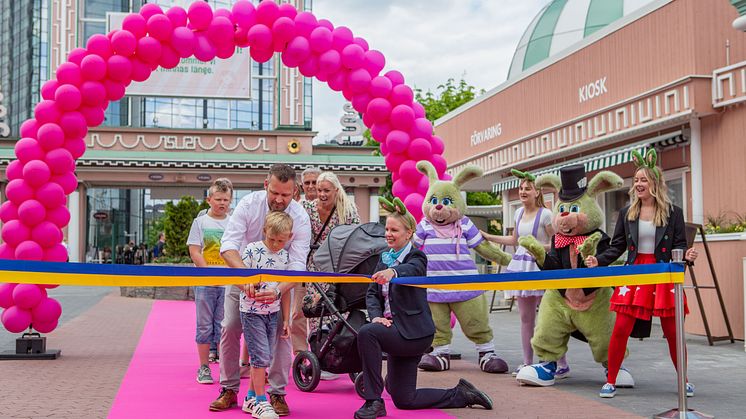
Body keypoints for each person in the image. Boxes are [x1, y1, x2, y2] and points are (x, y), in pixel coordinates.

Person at [355, 197, 493, 419]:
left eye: (394, 230)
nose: (388, 234)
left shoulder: (417, 256)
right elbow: (372, 293)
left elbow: (414, 269)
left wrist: (394, 272)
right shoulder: (384, 258)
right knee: (404, 399)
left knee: (367, 334)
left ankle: (373, 401)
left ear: (409, 233)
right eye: (387, 229)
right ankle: (461, 395)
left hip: (414, 334)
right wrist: (376, 316)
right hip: (394, 331)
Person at [586, 148, 699, 398]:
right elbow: (618, 246)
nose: (638, 184)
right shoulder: (627, 213)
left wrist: (687, 256)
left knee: (672, 332)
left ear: (655, 183)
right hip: (636, 273)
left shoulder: (673, 212)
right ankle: (611, 380)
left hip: (663, 272)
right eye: (636, 180)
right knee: (621, 328)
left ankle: (684, 380)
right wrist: (598, 260)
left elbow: (679, 244)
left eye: (643, 180)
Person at [210, 164, 311, 416]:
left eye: (285, 195)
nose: (279, 199)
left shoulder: (300, 218)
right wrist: (246, 278)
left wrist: (277, 291)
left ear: (294, 192)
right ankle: (230, 389)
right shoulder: (248, 204)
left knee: (282, 333)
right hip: (241, 276)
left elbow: (298, 266)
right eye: (274, 192)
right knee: (230, 326)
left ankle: (277, 393)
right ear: (266, 184)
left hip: (281, 286)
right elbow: (228, 245)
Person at [480, 169, 569, 377]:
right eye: (520, 188)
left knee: (549, 318)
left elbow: (557, 243)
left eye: (527, 188)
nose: (523, 191)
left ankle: (559, 362)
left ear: (537, 192)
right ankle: (527, 362)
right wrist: (488, 236)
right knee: (526, 317)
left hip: (540, 267)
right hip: (522, 268)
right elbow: (514, 240)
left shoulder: (546, 215)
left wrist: (537, 247)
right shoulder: (518, 213)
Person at [302, 171, 360, 379]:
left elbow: (356, 237)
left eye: (326, 190)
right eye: (319, 190)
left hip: (339, 265)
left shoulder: (348, 210)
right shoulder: (306, 207)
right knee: (316, 309)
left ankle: (339, 352)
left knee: (340, 308)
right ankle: (321, 352)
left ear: (336, 190)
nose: (322, 194)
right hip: (315, 265)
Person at [239, 211, 293, 419]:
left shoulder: (286, 257)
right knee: (260, 357)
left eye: (281, 240)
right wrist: (247, 287)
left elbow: (286, 290)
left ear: (289, 237)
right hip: (251, 312)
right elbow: (238, 277)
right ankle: (262, 401)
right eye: (271, 239)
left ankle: (251, 397)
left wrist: (286, 318)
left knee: (265, 356)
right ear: (264, 232)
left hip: (273, 313)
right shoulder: (252, 250)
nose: (275, 244)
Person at [188, 178, 233, 385]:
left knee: (224, 325)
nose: (222, 203)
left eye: (226, 199)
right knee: (204, 325)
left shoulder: (233, 222)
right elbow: (194, 250)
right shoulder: (200, 223)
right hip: (206, 282)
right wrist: (207, 273)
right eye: (218, 199)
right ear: (209, 200)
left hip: (229, 283)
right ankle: (204, 366)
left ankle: (226, 364)